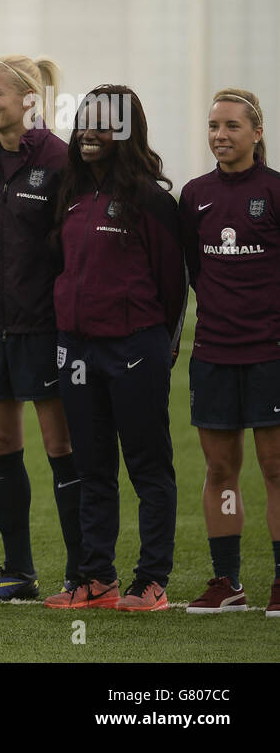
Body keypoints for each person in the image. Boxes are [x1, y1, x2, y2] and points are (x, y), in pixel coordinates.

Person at [44, 85, 185, 611]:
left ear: (128, 130)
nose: (88, 133)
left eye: (103, 124)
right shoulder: (72, 193)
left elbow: (173, 284)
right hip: (77, 351)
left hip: (135, 348)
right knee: (93, 467)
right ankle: (96, 579)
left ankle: (152, 581)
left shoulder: (150, 199)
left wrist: (158, 345)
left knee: (148, 467)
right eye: (84, 122)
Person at [0, 54, 83, 601]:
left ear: (28, 100)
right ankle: (17, 571)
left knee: (61, 444)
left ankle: (83, 571)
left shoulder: (61, 161)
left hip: (45, 327)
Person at [178, 89, 280, 617]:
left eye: (232, 126)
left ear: (257, 132)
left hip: (270, 354)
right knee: (220, 471)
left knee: (275, 468)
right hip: (214, 354)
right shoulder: (195, 195)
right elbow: (193, 273)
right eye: (213, 126)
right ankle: (227, 582)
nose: (219, 135)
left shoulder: (275, 192)